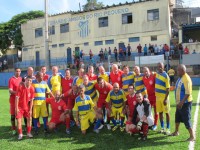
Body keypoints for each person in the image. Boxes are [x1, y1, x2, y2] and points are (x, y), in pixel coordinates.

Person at [171, 64, 194, 141]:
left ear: (182, 71)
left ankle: (192, 136)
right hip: (180, 103)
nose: (177, 71)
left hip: (185, 103)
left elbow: (188, 93)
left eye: (178, 70)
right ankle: (176, 131)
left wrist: (181, 103)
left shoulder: (186, 79)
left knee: (186, 119)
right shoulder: (180, 78)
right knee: (177, 117)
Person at [155, 62, 171, 135]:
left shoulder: (166, 76)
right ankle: (162, 128)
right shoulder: (157, 74)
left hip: (164, 98)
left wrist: (165, 99)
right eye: (158, 66)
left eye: (161, 66)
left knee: (167, 113)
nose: (159, 68)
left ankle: (168, 128)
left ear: (163, 67)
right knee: (160, 113)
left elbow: (168, 89)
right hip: (157, 97)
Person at [8, 68, 22, 135]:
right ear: (14, 72)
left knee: (19, 115)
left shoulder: (21, 79)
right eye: (17, 71)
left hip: (20, 101)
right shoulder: (11, 79)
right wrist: (17, 93)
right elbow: (10, 90)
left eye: (19, 71)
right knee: (13, 115)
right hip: (13, 101)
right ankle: (13, 129)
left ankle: (19, 127)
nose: (18, 72)